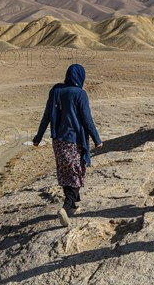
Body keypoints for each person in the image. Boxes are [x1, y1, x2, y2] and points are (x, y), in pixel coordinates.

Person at [32, 64, 102, 227]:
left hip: (58, 141)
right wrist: (97, 139)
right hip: (74, 141)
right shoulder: (80, 94)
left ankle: (74, 203)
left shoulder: (56, 91)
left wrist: (38, 137)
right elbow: (87, 120)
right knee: (76, 173)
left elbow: (46, 116)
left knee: (65, 171)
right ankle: (66, 206)